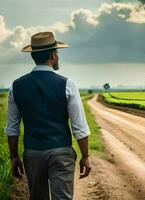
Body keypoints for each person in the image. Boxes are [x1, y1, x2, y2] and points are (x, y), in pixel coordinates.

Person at [4, 31, 92, 200]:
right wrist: (85, 156)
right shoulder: (67, 84)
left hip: (32, 154)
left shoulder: (16, 86)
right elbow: (79, 127)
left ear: (33, 56)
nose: (57, 56)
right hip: (61, 153)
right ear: (53, 54)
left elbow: (12, 129)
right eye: (57, 53)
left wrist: (14, 157)